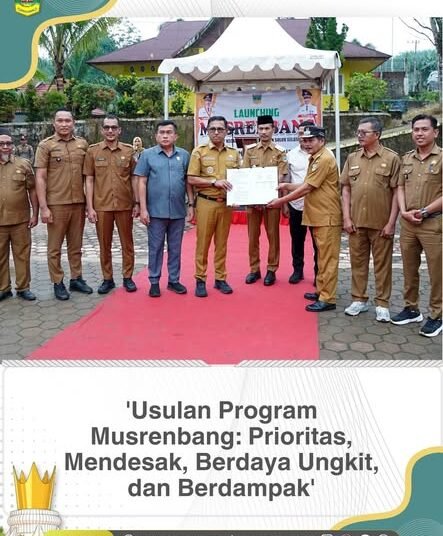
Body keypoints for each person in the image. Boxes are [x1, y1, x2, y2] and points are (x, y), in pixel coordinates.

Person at [268, 126, 342, 312]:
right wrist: (286, 186)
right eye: (304, 140)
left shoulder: (324, 159)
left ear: (321, 140)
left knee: (327, 259)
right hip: (318, 215)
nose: (307, 144)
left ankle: (328, 298)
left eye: (311, 140)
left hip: (326, 216)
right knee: (322, 257)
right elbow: (306, 184)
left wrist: (281, 200)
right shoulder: (316, 157)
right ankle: (321, 291)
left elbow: (308, 188)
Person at [341, 117, 400, 322]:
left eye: (364, 132)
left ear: (377, 135)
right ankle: (359, 299)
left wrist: (391, 223)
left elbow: (397, 192)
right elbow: (346, 188)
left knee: (383, 265)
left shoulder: (392, 158)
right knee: (357, 263)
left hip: (381, 223)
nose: (359, 135)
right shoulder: (352, 158)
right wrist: (346, 217)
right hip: (356, 222)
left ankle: (382, 304)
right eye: (358, 132)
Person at [391, 114, 442, 337]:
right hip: (409, 224)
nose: (419, 133)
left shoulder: (441, 158)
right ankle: (411, 308)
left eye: (424, 129)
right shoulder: (407, 159)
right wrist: (403, 212)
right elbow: (400, 187)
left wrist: (424, 211)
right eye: (416, 129)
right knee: (409, 268)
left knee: (437, 272)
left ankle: (437, 315)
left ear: (435, 132)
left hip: (433, 223)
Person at [35, 109, 93, 300]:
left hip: (78, 203)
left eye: (67, 120)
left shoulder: (82, 144)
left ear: (73, 123)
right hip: (56, 204)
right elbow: (40, 177)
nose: (64, 124)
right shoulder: (46, 146)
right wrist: (44, 207)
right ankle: (57, 282)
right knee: (55, 248)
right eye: (60, 120)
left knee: (76, 246)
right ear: (54, 123)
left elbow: (88, 176)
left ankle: (76, 278)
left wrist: (89, 204)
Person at [135, 120, 193, 298]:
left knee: (175, 248)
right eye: (162, 132)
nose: (165, 136)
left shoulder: (184, 155)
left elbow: (188, 181)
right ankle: (154, 281)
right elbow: (141, 182)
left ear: (176, 136)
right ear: (156, 136)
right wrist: (143, 208)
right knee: (156, 247)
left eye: (169, 132)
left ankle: (174, 280)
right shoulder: (147, 155)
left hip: (177, 211)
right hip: (155, 212)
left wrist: (191, 204)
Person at [84, 115, 139, 295]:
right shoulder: (93, 151)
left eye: (114, 127)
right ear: (102, 130)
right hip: (102, 206)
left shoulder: (128, 151)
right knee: (104, 244)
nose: (110, 131)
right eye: (107, 127)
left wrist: (137, 202)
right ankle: (107, 279)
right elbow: (89, 180)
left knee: (127, 244)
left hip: (125, 205)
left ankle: (128, 277)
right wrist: (90, 207)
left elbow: (134, 178)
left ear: (119, 130)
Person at [187, 115, 241, 297]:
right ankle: (200, 279)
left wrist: (241, 195)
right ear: (207, 131)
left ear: (226, 131)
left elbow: (240, 179)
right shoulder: (199, 152)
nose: (216, 132)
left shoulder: (234, 153)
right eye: (212, 129)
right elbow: (191, 179)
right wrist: (213, 182)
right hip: (206, 202)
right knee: (203, 243)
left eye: (220, 129)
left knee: (222, 243)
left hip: (226, 204)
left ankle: (220, 278)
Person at [242, 114, 288, 286]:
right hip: (253, 202)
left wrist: (280, 202)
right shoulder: (250, 151)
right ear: (257, 130)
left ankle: (271, 269)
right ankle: (254, 269)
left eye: (267, 128)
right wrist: (252, 198)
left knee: (273, 235)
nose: (264, 132)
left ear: (273, 130)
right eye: (261, 128)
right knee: (253, 237)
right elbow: (245, 175)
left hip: (272, 201)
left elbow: (282, 177)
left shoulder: (280, 152)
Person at [0, 128, 38, 301]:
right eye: (1, 144)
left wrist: (35, 214)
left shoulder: (23, 164)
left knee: (22, 255)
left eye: (8, 143)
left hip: (20, 221)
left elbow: (32, 190)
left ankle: (23, 287)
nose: (5, 147)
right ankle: (3, 288)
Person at [285, 120, 318, 285]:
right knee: (297, 240)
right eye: (300, 133)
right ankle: (297, 270)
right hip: (296, 205)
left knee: (318, 243)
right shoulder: (290, 155)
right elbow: (287, 179)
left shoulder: (324, 155)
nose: (303, 137)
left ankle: (319, 274)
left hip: (317, 206)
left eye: (306, 134)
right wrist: (285, 204)